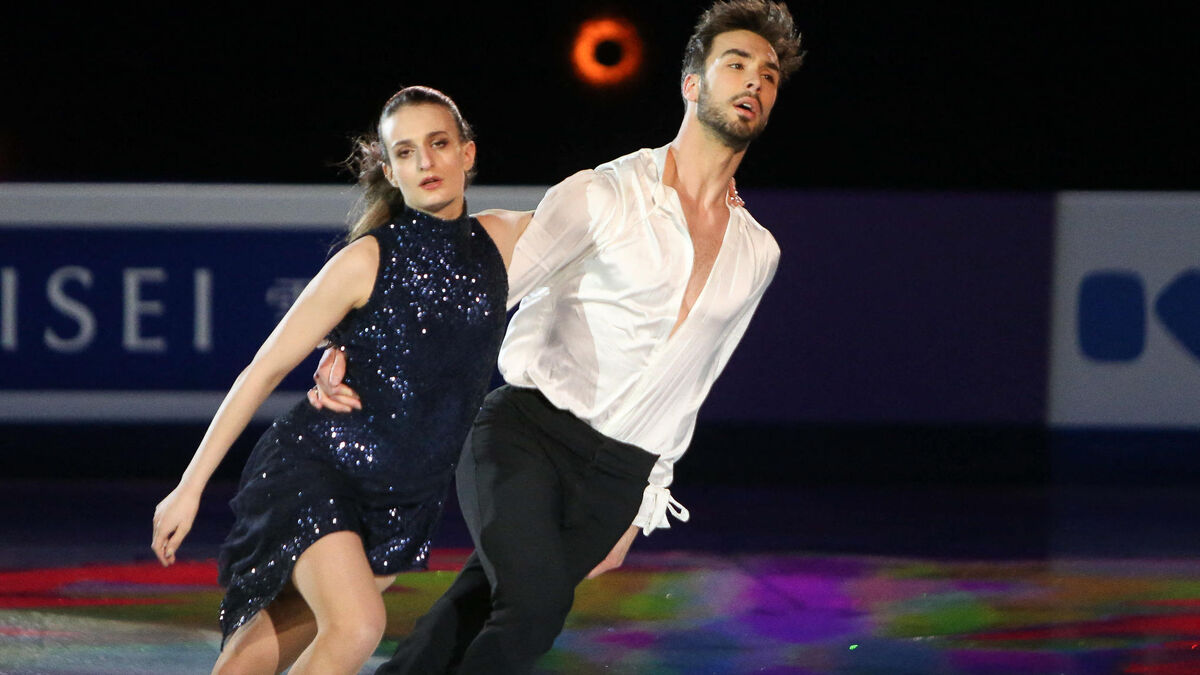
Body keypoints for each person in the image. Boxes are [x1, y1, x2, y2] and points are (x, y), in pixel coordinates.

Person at [313, 1, 804, 672]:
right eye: (736, 65)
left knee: (476, 608)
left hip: (619, 476)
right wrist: (367, 341)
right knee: (534, 609)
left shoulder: (758, 252)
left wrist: (643, 502)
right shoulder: (605, 193)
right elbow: (487, 287)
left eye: (769, 74)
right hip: (528, 435)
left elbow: (691, 383)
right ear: (692, 84)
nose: (754, 82)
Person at [150, 86, 530, 675]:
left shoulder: (506, 240)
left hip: (404, 497)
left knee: (264, 654)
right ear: (389, 168)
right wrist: (189, 486)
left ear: (467, 152)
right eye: (405, 152)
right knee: (356, 627)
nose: (426, 162)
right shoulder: (366, 260)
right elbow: (264, 369)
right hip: (319, 468)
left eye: (438, 144)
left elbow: (608, 219)